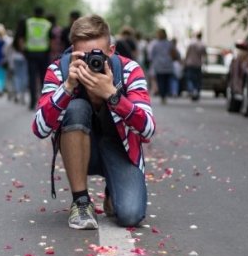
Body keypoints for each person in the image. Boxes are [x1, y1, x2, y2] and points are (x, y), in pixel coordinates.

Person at [32, 14, 156, 230]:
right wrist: (68, 88)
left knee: (130, 215)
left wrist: (112, 95)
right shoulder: (59, 70)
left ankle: (113, 190)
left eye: (98, 56)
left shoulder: (129, 70)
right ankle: (81, 201)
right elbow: (40, 129)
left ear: (111, 50)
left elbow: (147, 130)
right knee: (76, 107)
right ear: (73, 51)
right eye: (84, 56)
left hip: (119, 149)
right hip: (79, 149)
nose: (92, 63)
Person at [22, 7, 52, 109]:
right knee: (44, 78)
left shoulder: (28, 22)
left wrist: (24, 50)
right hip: (43, 53)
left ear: (33, 13)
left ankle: (32, 102)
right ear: (43, 13)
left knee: (32, 78)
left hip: (31, 53)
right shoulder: (47, 23)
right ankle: (44, 101)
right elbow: (51, 39)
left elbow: (22, 37)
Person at [149, 28, 176, 104]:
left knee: (160, 81)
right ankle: (165, 95)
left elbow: (151, 56)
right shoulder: (169, 43)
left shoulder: (155, 44)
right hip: (168, 64)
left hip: (158, 65)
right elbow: (173, 54)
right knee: (167, 81)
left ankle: (162, 96)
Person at [184, 31, 207, 100]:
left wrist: (185, 61)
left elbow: (187, 53)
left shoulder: (191, 44)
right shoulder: (202, 45)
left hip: (190, 63)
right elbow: (204, 55)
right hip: (198, 64)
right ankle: (196, 91)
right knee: (197, 79)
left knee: (190, 78)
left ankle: (192, 90)